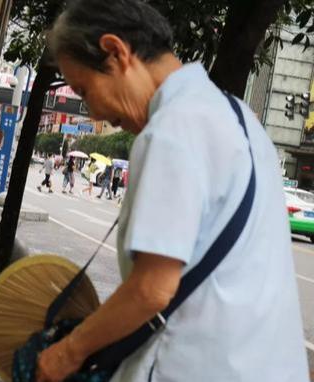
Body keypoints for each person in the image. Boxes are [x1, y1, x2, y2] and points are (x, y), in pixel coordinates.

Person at [37, 1, 309, 381]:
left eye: (84, 90)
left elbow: (152, 289)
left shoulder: (170, 131)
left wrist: (68, 352)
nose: (93, 112)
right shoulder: (240, 118)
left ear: (116, 52)